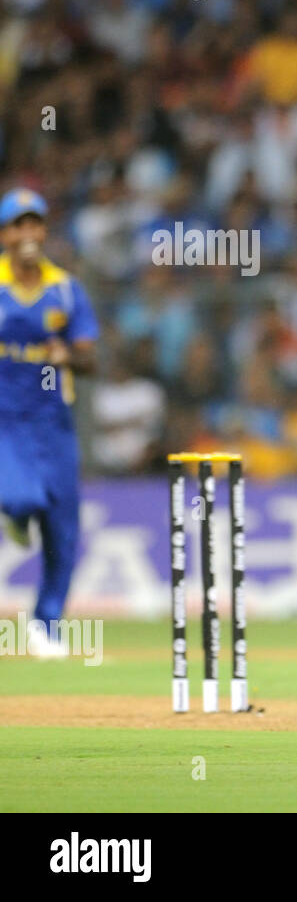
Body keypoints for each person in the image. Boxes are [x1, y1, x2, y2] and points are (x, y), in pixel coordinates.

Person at [0, 188, 99, 657]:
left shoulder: (64, 288)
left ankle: (46, 623)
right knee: (20, 497)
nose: (27, 233)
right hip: (3, 420)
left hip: (53, 421)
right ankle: (17, 514)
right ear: (5, 234)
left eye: (34, 223)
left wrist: (69, 355)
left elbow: (90, 357)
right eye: (18, 225)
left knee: (63, 527)